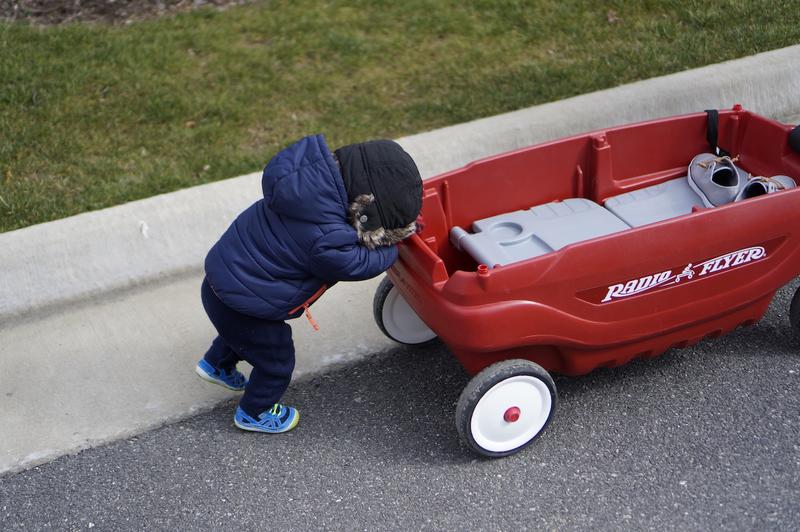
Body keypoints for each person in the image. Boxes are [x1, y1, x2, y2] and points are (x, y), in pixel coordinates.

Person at [195, 135, 423, 433]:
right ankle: (255, 411)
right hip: (246, 302)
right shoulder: (327, 237)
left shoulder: (302, 187)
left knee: (242, 335)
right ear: (364, 209)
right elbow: (359, 263)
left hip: (223, 284)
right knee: (275, 359)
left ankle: (216, 365)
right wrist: (392, 247)